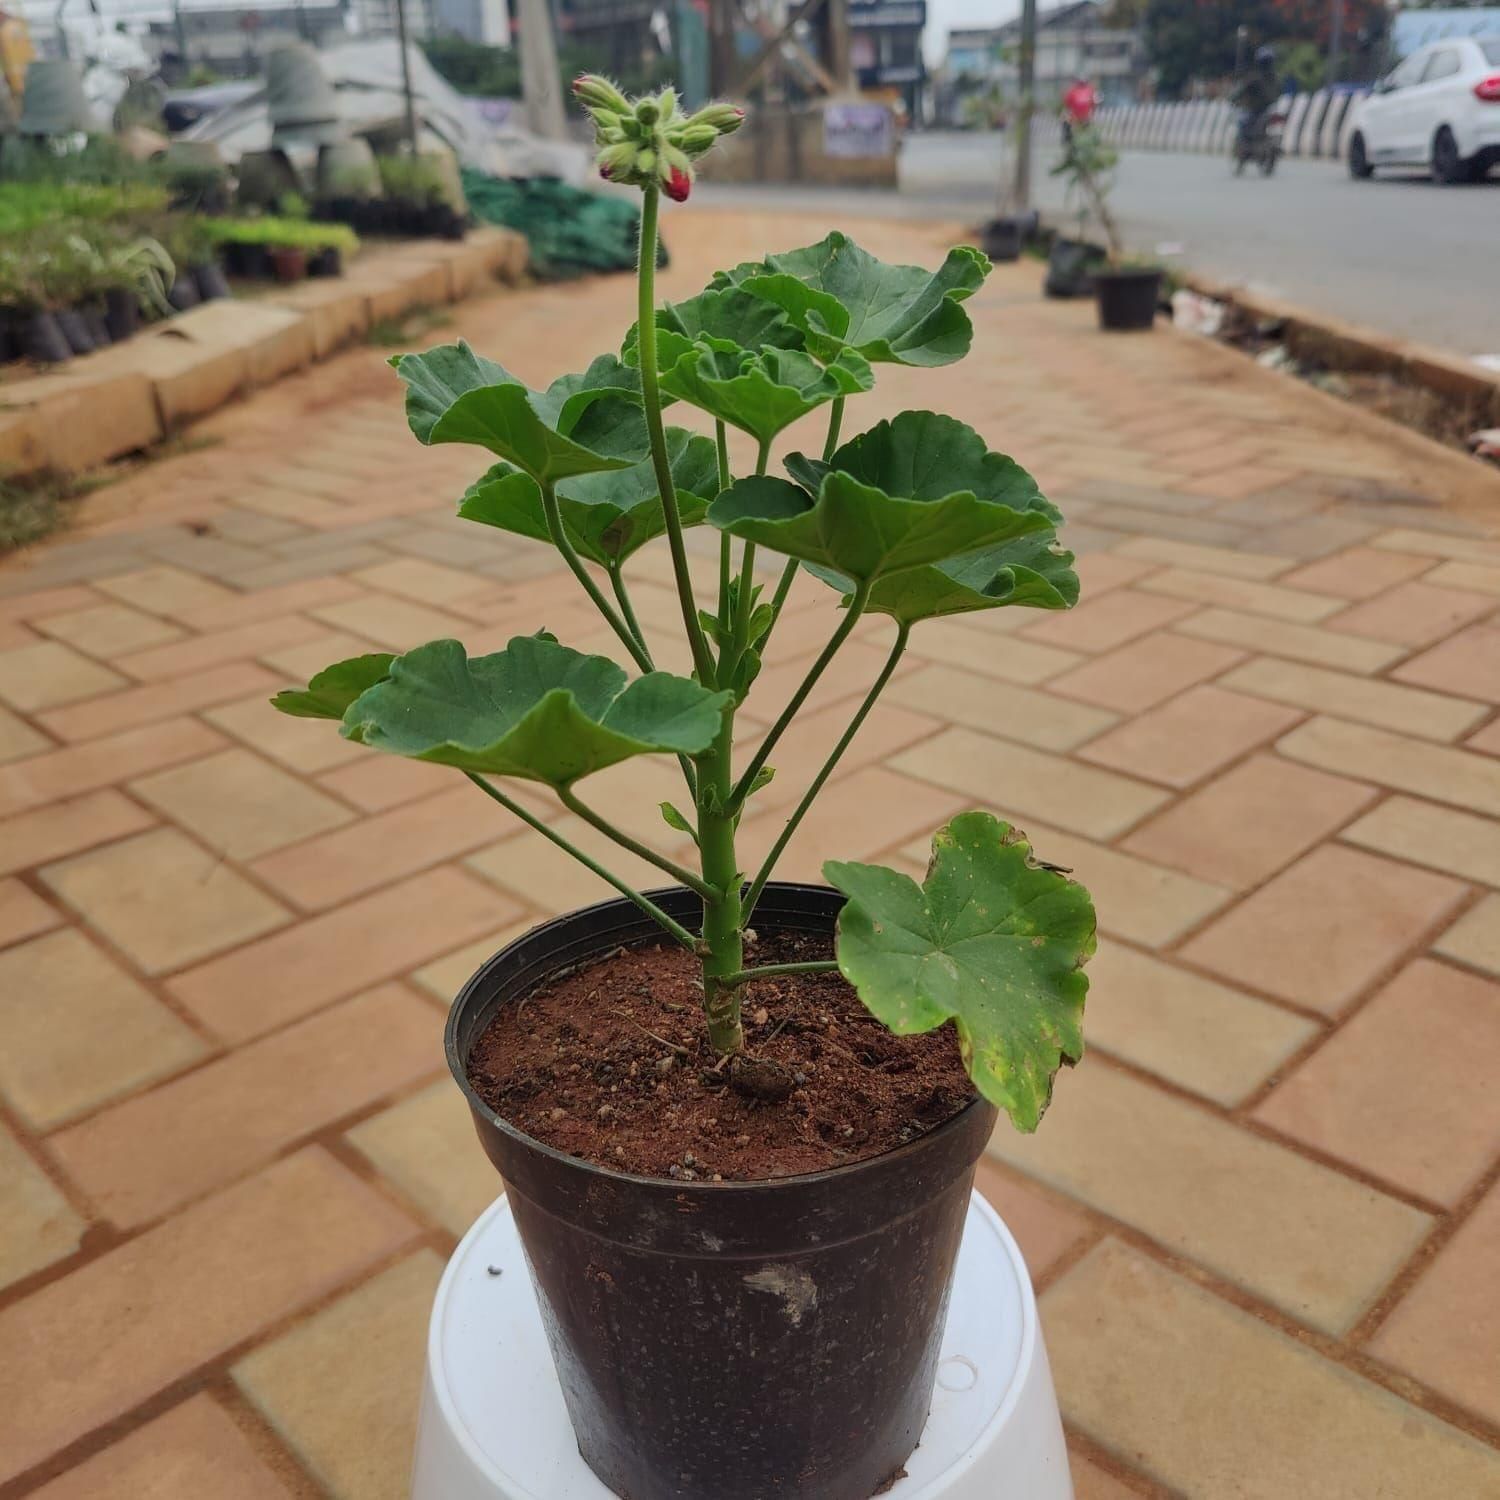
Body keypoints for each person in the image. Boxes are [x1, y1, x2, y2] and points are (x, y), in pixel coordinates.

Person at [1232, 45, 1277, 153]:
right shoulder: (1274, 78)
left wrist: (1233, 99)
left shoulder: (1254, 77)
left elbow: (1240, 91)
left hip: (1256, 111)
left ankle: (1245, 148)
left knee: (1242, 123)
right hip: (1269, 109)